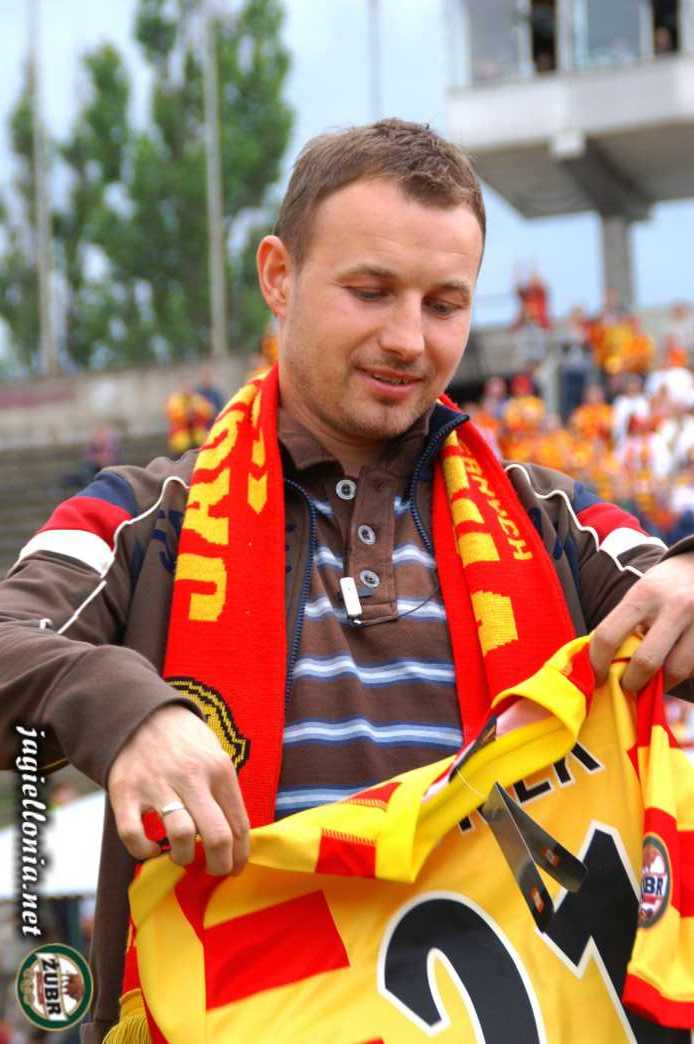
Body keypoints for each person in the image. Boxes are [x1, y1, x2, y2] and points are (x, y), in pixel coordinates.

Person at [2, 118, 694, 1042]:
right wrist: (127, 715)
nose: (407, 338)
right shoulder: (143, 517)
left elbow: (672, 599)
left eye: (445, 304)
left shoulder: (551, 520)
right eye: (371, 292)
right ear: (278, 276)